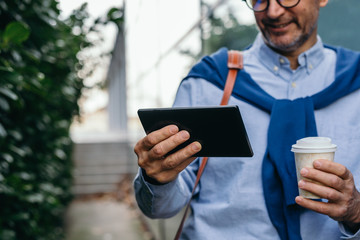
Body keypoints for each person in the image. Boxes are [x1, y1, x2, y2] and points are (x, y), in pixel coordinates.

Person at [133, 0, 360, 239]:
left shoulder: (356, 82)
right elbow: (161, 208)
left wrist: (357, 210)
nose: (273, 11)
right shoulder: (210, 82)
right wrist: (155, 179)